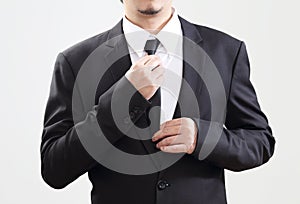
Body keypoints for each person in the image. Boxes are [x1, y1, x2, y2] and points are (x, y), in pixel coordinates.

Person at [40, 0, 275, 203]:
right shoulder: (75, 62)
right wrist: (122, 99)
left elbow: (260, 141)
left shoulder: (226, 51)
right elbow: (54, 168)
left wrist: (201, 138)